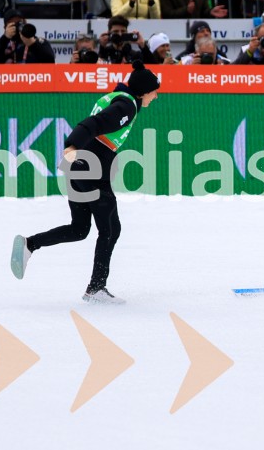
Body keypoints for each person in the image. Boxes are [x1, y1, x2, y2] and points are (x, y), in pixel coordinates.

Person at [10, 62, 161, 304]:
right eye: (154, 91)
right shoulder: (126, 106)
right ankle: (96, 288)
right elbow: (94, 124)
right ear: (143, 91)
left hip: (80, 166)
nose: (156, 96)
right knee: (110, 229)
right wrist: (72, 145)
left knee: (80, 229)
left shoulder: (120, 97)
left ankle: (29, 244)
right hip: (90, 167)